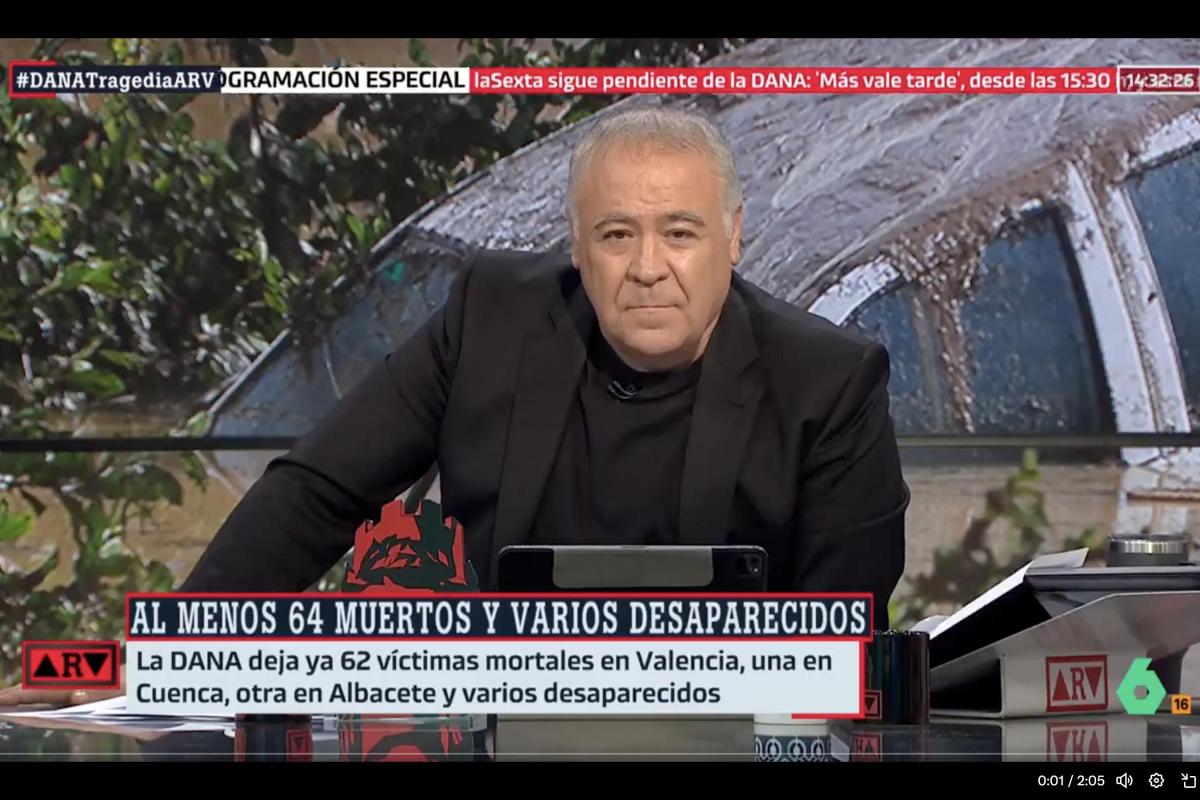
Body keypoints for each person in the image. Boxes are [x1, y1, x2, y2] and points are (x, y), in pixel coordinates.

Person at [0, 106, 908, 707]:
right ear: (577, 245)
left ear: (733, 236)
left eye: (680, 232)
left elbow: (843, 641)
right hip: (500, 721)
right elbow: (318, 490)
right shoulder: (496, 317)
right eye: (615, 234)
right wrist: (175, 660)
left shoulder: (829, 381)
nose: (646, 268)